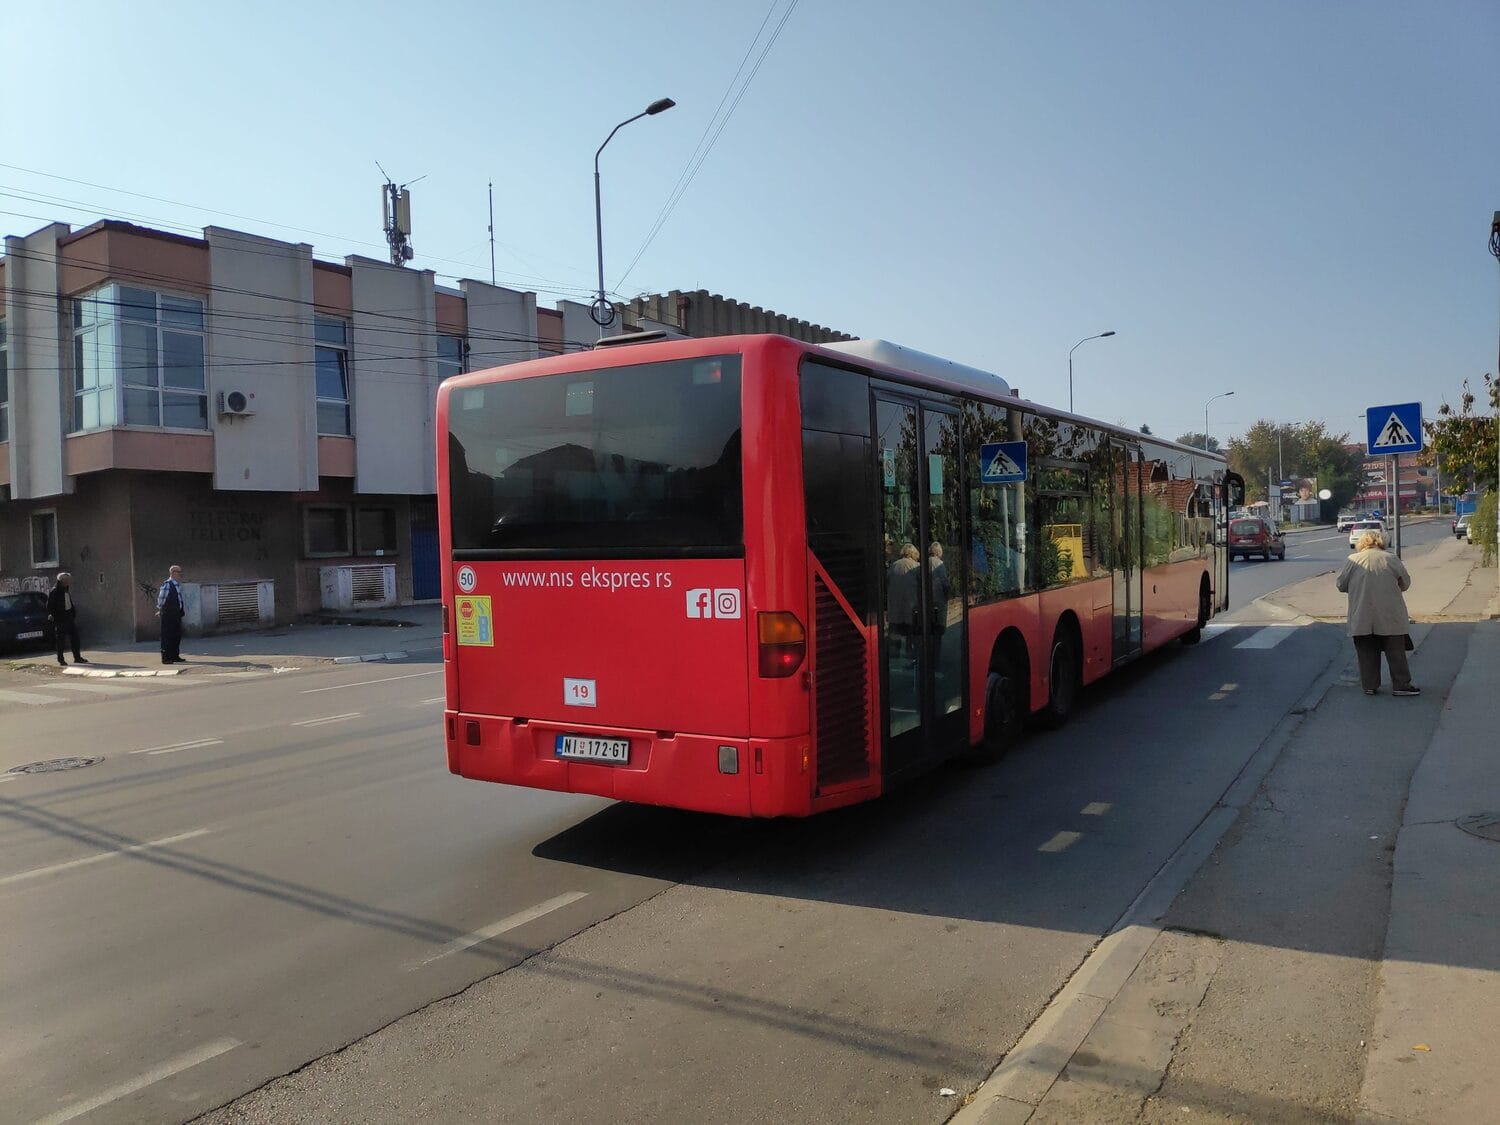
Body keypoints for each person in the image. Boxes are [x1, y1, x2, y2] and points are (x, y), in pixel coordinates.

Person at [1336, 531, 1418, 696]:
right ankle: (1401, 685)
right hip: (1390, 614)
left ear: (1361, 543)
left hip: (1361, 614)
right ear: (1381, 542)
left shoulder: (1352, 561)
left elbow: (1341, 585)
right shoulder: (1391, 558)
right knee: (1396, 651)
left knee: (1366, 651)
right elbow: (1405, 583)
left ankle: (1370, 685)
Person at [46, 571, 88, 667]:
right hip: (60, 619)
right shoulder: (55, 591)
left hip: (69, 617)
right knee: (61, 640)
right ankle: (61, 659)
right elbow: (50, 606)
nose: (69, 582)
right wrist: (53, 615)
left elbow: (69, 602)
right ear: (61, 581)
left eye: (69, 580)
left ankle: (77, 657)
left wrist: (73, 613)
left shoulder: (66, 589)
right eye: (67, 580)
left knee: (75, 638)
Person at [886, 543, 921, 653]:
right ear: (914, 553)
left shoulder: (894, 565)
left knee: (895, 631)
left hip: (895, 605)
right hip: (911, 605)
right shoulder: (916, 566)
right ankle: (910, 651)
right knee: (911, 631)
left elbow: (887, 581)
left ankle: (895, 652)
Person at [156, 565, 187, 664]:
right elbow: (161, 599)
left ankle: (174, 655)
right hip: (168, 614)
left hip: (176, 614)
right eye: (179, 572)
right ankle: (166, 657)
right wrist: (160, 609)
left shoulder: (177, 585)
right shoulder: (167, 584)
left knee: (176, 635)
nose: (180, 574)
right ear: (173, 573)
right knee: (167, 636)